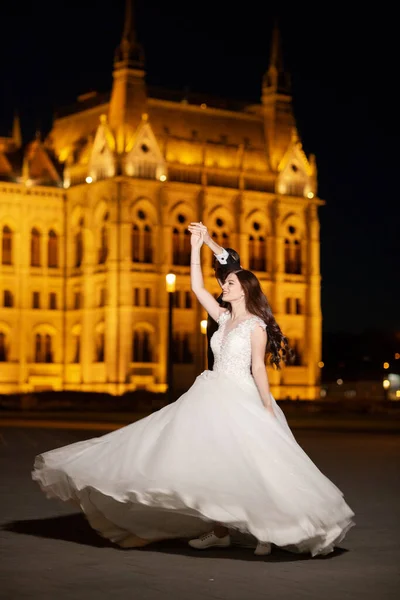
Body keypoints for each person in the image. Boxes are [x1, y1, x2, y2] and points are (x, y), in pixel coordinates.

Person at [32, 225, 355, 557]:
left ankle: (264, 532)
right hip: (213, 392)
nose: (223, 285)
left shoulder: (255, 326)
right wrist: (196, 246)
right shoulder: (223, 316)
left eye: (229, 283)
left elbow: (258, 367)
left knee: (255, 467)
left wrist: (266, 407)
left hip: (240, 396)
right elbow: (197, 286)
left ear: (243, 290)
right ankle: (220, 530)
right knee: (213, 463)